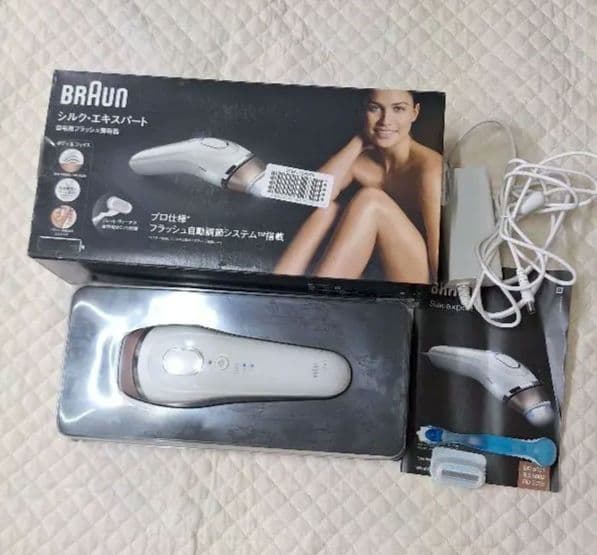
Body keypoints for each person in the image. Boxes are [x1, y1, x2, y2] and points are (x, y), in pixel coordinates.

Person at [273, 89, 442, 284]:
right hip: (378, 266)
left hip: (418, 278)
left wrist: (438, 298)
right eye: (375, 108)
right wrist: (359, 140)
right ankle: (277, 286)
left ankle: (321, 292)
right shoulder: (362, 161)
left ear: (414, 113)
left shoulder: (429, 169)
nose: (385, 121)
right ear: (363, 111)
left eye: (398, 109)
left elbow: (439, 248)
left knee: (371, 200)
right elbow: (314, 193)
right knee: (327, 209)